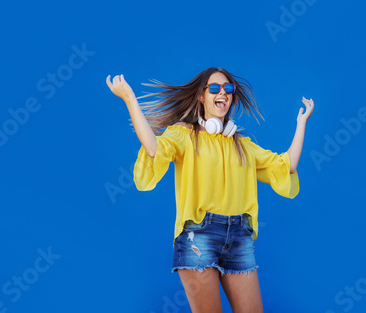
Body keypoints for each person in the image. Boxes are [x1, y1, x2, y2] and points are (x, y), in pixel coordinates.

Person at [106, 67, 314, 313]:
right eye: (214, 87)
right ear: (201, 96)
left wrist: (301, 123)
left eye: (228, 89)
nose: (222, 93)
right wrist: (130, 99)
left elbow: (286, 165)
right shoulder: (184, 135)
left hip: (239, 236)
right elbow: (152, 147)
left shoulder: (243, 146)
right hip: (198, 236)